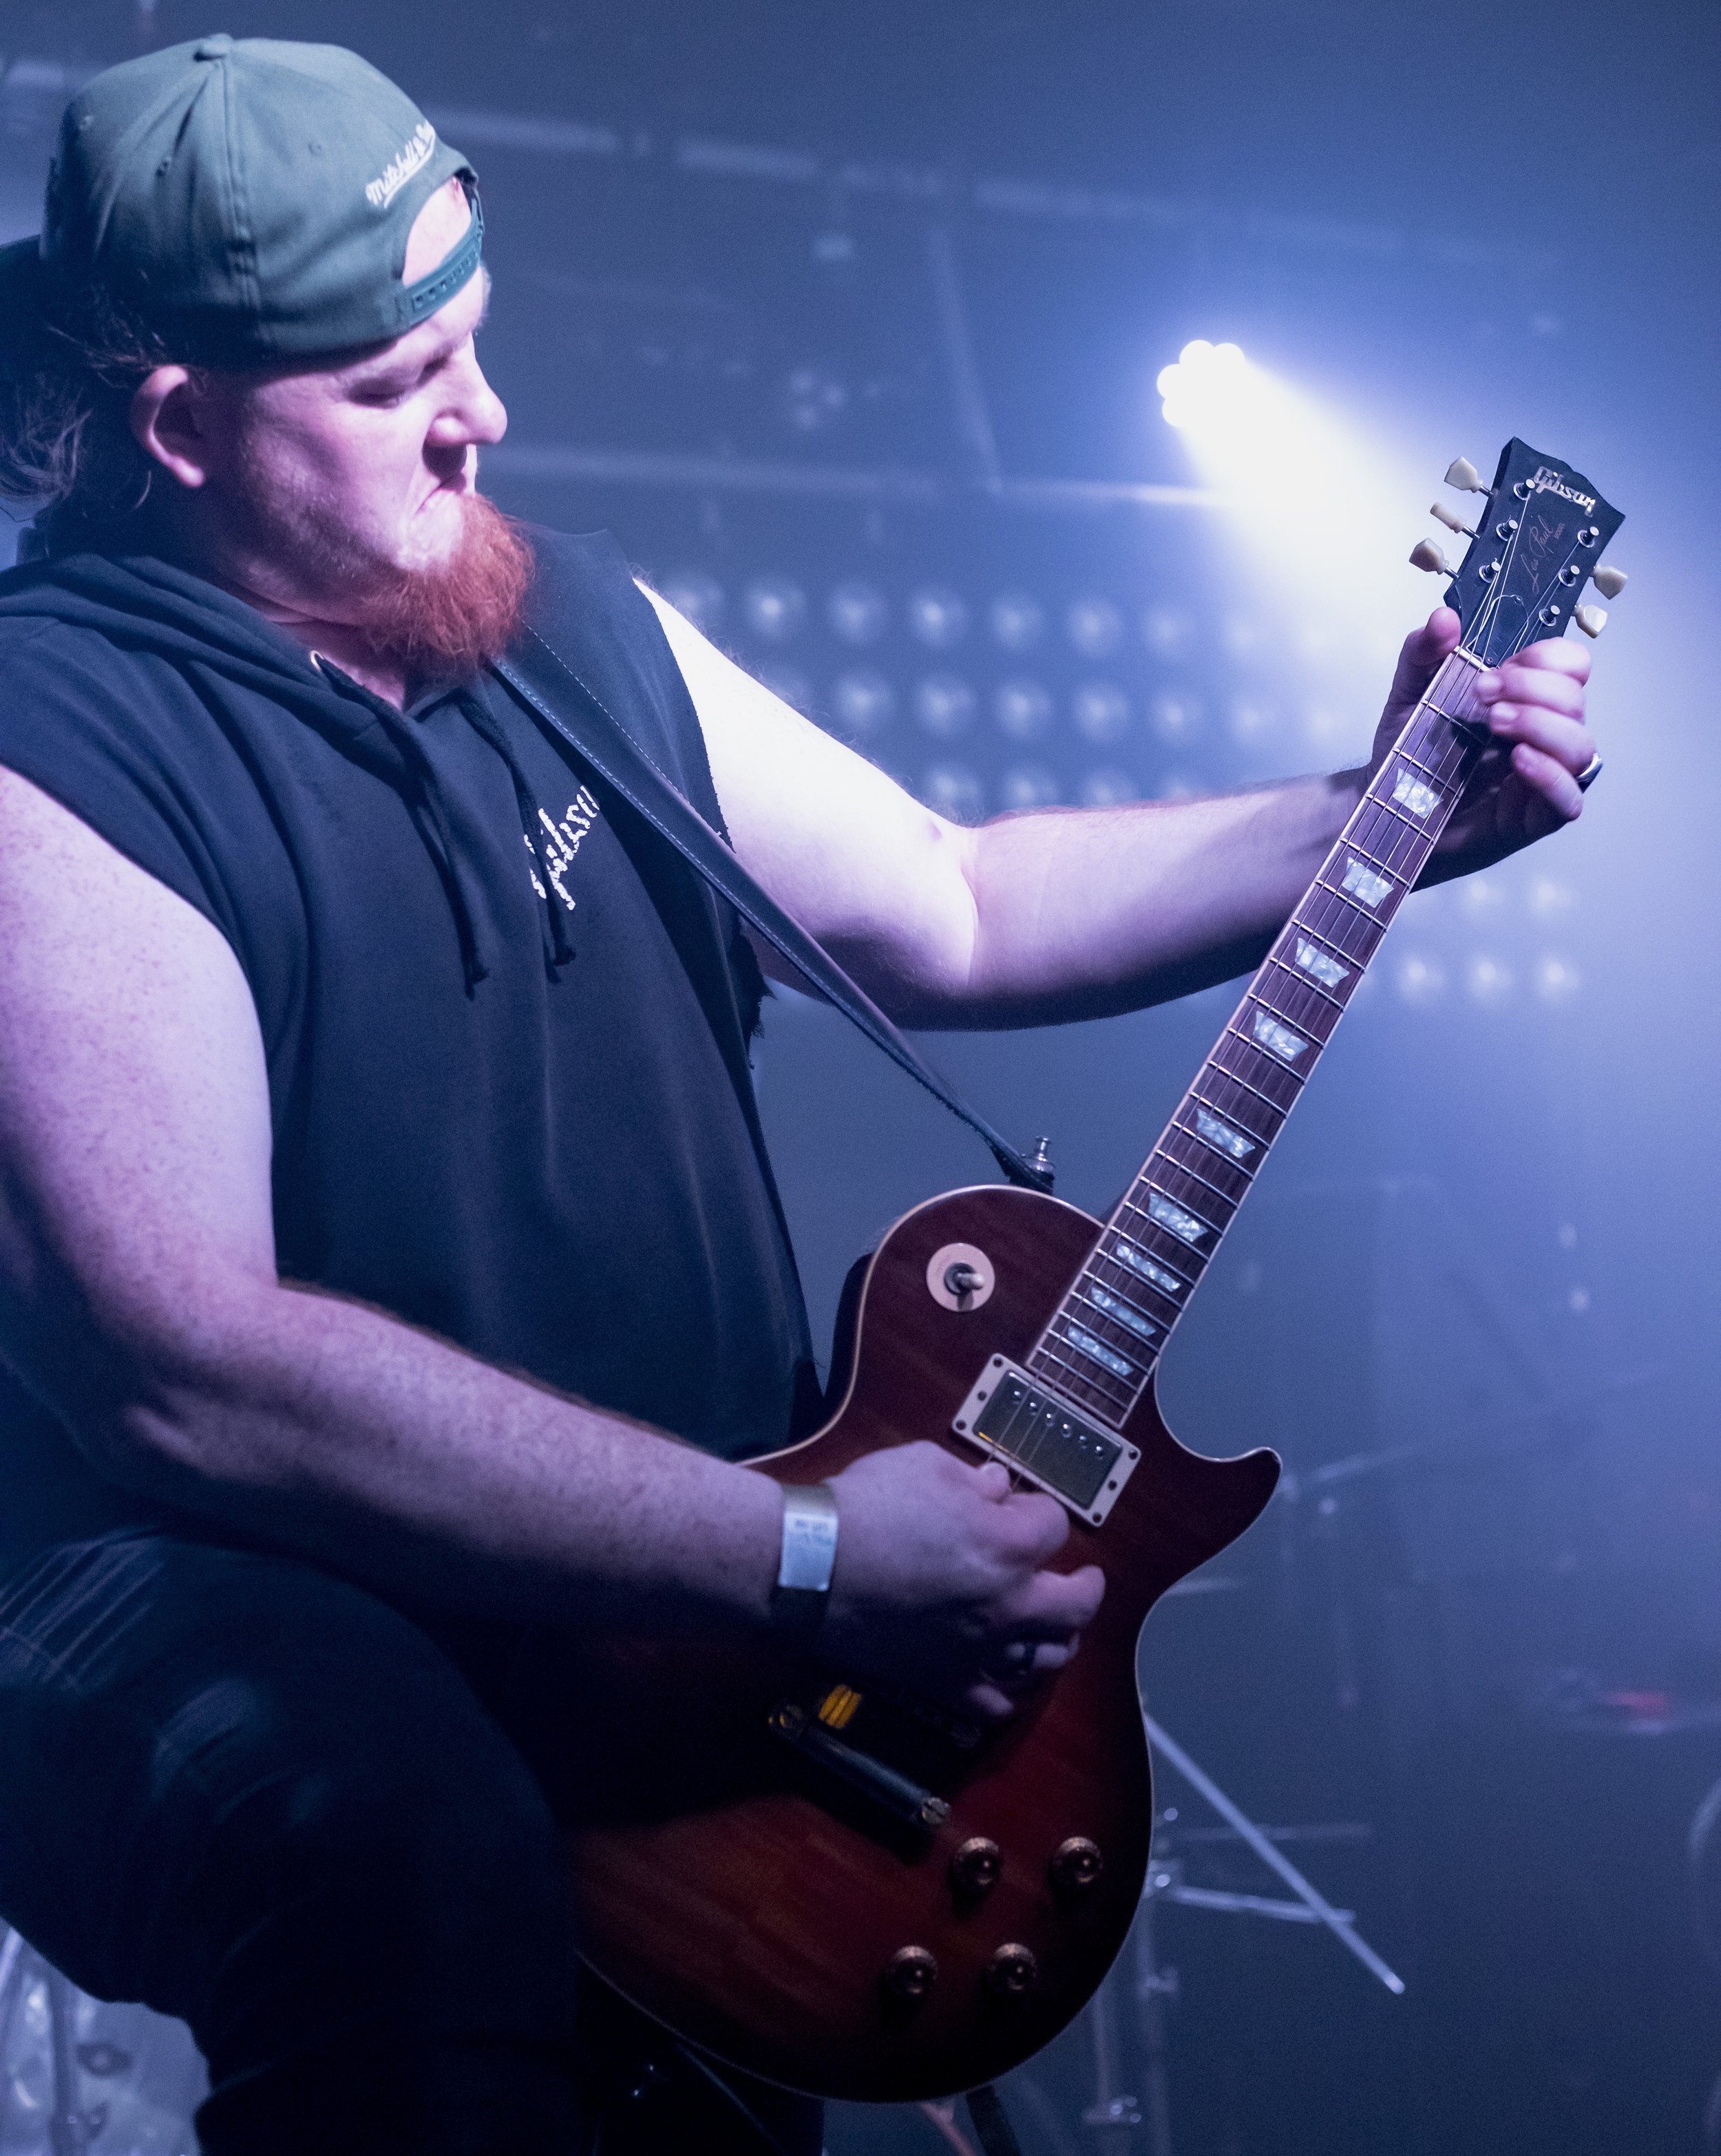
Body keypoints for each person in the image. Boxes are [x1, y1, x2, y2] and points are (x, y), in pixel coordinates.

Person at [0, 34, 1596, 2156]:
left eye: (468, 342)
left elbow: (951, 896)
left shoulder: (552, 620)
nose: (484, 413)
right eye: (396, 389)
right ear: (178, 427)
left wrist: (1382, 811)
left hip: (658, 1590)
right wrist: (815, 1542)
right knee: (393, 1838)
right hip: (203, 1596)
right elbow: (194, 1375)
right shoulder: (57, 743)